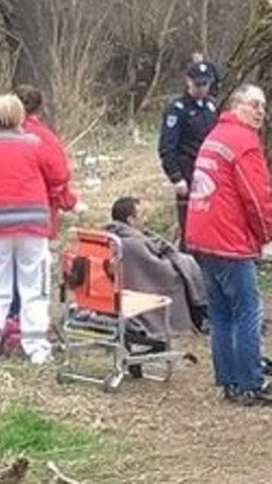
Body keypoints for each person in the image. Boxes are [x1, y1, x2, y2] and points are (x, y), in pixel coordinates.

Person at [0, 93, 70, 367]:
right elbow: (59, 176)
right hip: (32, 223)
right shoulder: (35, 144)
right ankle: (37, 347)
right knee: (34, 286)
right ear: (21, 117)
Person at [185, 84, 272, 405]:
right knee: (248, 311)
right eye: (253, 105)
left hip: (202, 235)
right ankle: (251, 382)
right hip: (228, 238)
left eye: (263, 105)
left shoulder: (215, 136)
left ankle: (229, 380)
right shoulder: (244, 143)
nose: (260, 111)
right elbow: (256, 198)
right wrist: (266, 236)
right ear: (236, 106)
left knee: (221, 314)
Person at [7, 85, 79, 319]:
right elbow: (59, 176)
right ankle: (30, 325)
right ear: (39, 108)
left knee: (4, 268)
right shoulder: (44, 138)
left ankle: (9, 317)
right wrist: (68, 201)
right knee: (32, 269)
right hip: (36, 212)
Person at [104, 196, 207, 337]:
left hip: (115, 295)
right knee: (185, 271)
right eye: (142, 215)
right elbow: (158, 270)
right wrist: (181, 263)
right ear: (130, 220)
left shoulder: (111, 237)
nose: (146, 220)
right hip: (137, 294)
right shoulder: (131, 244)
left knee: (186, 264)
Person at [158, 61, 218, 249]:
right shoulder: (178, 109)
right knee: (189, 224)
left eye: (206, 84)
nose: (202, 89)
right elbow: (167, 146)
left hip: (210, 172)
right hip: (188, 170)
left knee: (210, 220)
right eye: (198, 84)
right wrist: (176, 177)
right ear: (189, 82)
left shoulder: (211, 106)